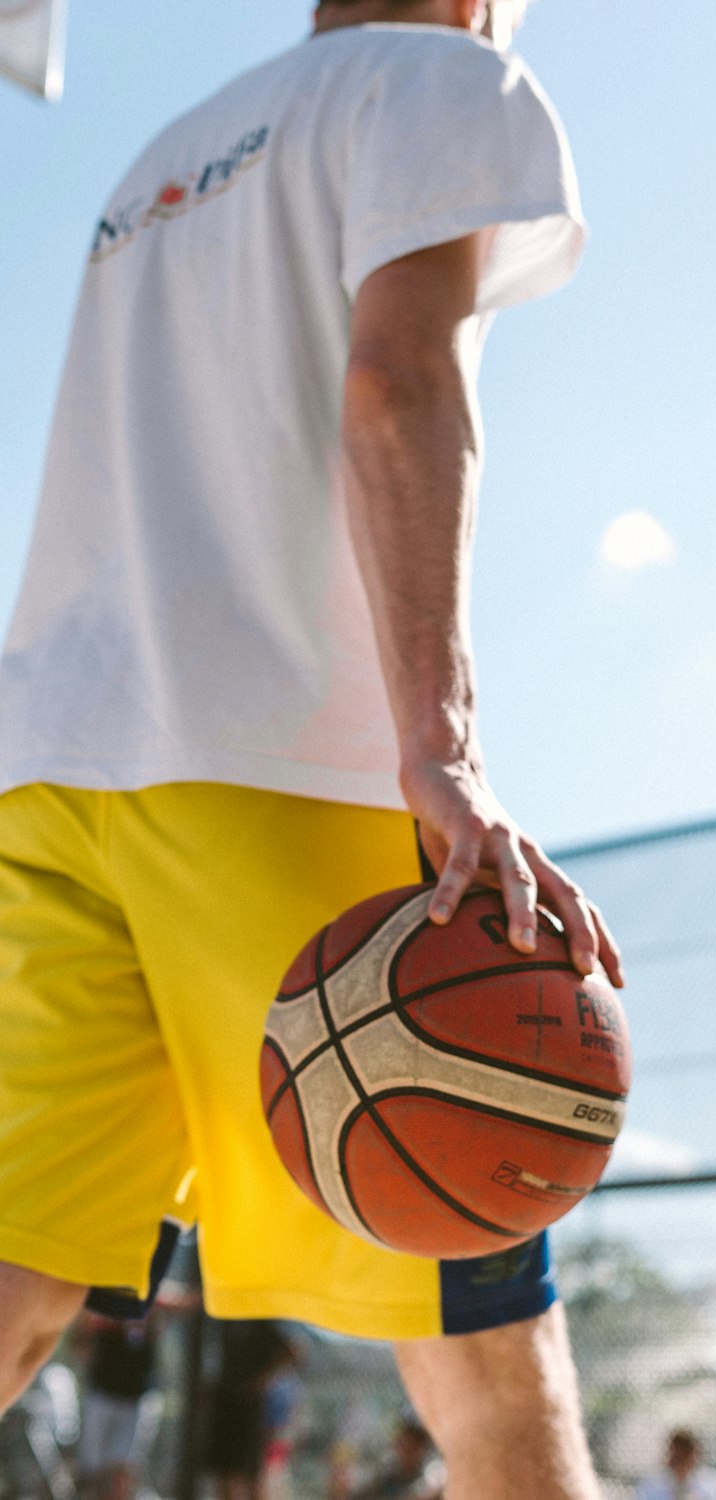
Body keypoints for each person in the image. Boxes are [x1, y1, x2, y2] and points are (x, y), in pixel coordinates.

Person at [0, 4, 624, 1500]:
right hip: (281, 763)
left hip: (49, 762)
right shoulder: (442, 78)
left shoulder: (157, 158)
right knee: (478, 1355)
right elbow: (399, 383)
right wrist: (444, 744)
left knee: (12, 1291)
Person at [203, 1320, 297, 1500]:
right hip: (224, 1403)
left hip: (248, 1410)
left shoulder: (261, 1319)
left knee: (247, 1474)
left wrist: (261, 1382)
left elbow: (293, 1350)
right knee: (224, 1471)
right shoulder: (223, 1317)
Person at [74, 1310, 160, 1500]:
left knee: (122, 1465)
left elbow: (182, 1305)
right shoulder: (103, 1310)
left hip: (133, 1401)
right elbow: (80, 1347)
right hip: (102, 1396)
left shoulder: (150, 1308)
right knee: (94, 1468)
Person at [344, 1419, 445, 1500]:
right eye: (402, 1446)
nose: (404, 1452)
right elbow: (361, 1492)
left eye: (410, 1448)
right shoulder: (388, 1472)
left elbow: (428, 1493)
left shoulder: (432, 1471)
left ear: (421, 1449)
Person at [635, 1430, 716, 1500]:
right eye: (676, 1454)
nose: (680, 1461)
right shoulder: (650, 1485)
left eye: (685, 1454)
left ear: (695, 1454)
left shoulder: (713, 1484)